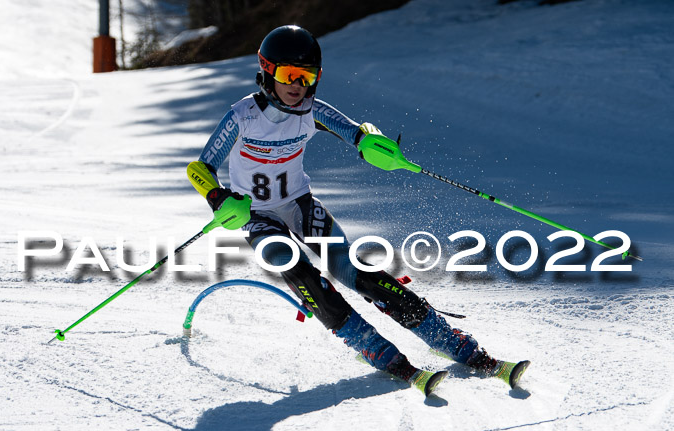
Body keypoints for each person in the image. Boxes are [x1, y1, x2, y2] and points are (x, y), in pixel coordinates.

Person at [187, 25, 528, 396]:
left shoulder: (312, 111)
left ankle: (448, 340)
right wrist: (218, 198)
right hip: (257, 217)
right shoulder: (243, 116)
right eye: (289, 74)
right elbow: (200, 168)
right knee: (301, 273)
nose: (298, 84)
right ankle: (372, 347)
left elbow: (357, 132)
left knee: (357, 273)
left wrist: (374, 143)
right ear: (267, 71)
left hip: (301, 205)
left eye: (308, 76)